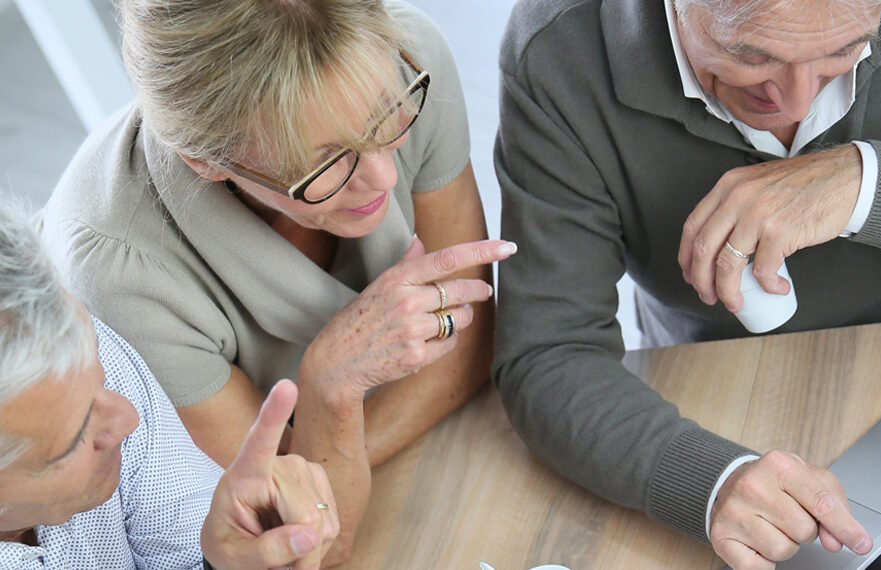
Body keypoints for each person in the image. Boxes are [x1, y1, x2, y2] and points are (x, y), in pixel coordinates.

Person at [40, 0, 515, 562]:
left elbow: (471, 348)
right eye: (328, 162)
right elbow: (291, 526)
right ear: (205, 161)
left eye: (382, 118)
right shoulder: (116, 272)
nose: (384, 174)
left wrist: (327, 454)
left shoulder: (401, 61)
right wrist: (331, 384)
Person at [493, 0, 881, 568]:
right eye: (752, 56)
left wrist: (865, 184)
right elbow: (549, 350)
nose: (799, 102)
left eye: (845, 50)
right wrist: (709, 480)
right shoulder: (559, 50)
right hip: (708, 386)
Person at [0, 201, 339, 569]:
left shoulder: (64, 353)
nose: (129, 418)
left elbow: (191, 550)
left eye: (101, 377)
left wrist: (229, 561)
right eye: (77, 435)